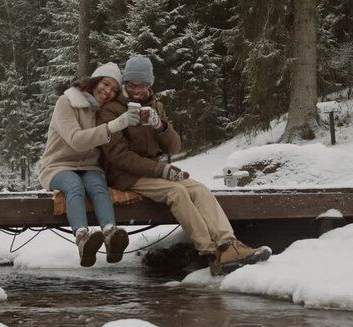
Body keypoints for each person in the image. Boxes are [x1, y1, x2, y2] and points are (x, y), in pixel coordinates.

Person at [97, 55, 272, 275]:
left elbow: (174, 147)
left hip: (152, 170)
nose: (136, 90)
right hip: (125, 176)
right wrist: (161, 170)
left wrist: (160, 126)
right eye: (131, 85)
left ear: (149, 84)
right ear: (125, 83)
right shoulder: (111, 110)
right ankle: (211, 253)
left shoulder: (155, 106)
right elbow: (118, 155)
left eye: (142, 85)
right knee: (176, 191)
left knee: (198, 188)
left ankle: (228, 245)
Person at [38, 62, 141, 267]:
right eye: (105, 84)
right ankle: (83, 239)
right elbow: (75, 140)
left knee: (98, 187)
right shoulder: (65, 102)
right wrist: (115, 125)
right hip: (58, 165)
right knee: (74, 186)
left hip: (90, 166)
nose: (108, 91)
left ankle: (111, 235)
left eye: (113, 89)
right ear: (95, 80)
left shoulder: (103, 109)